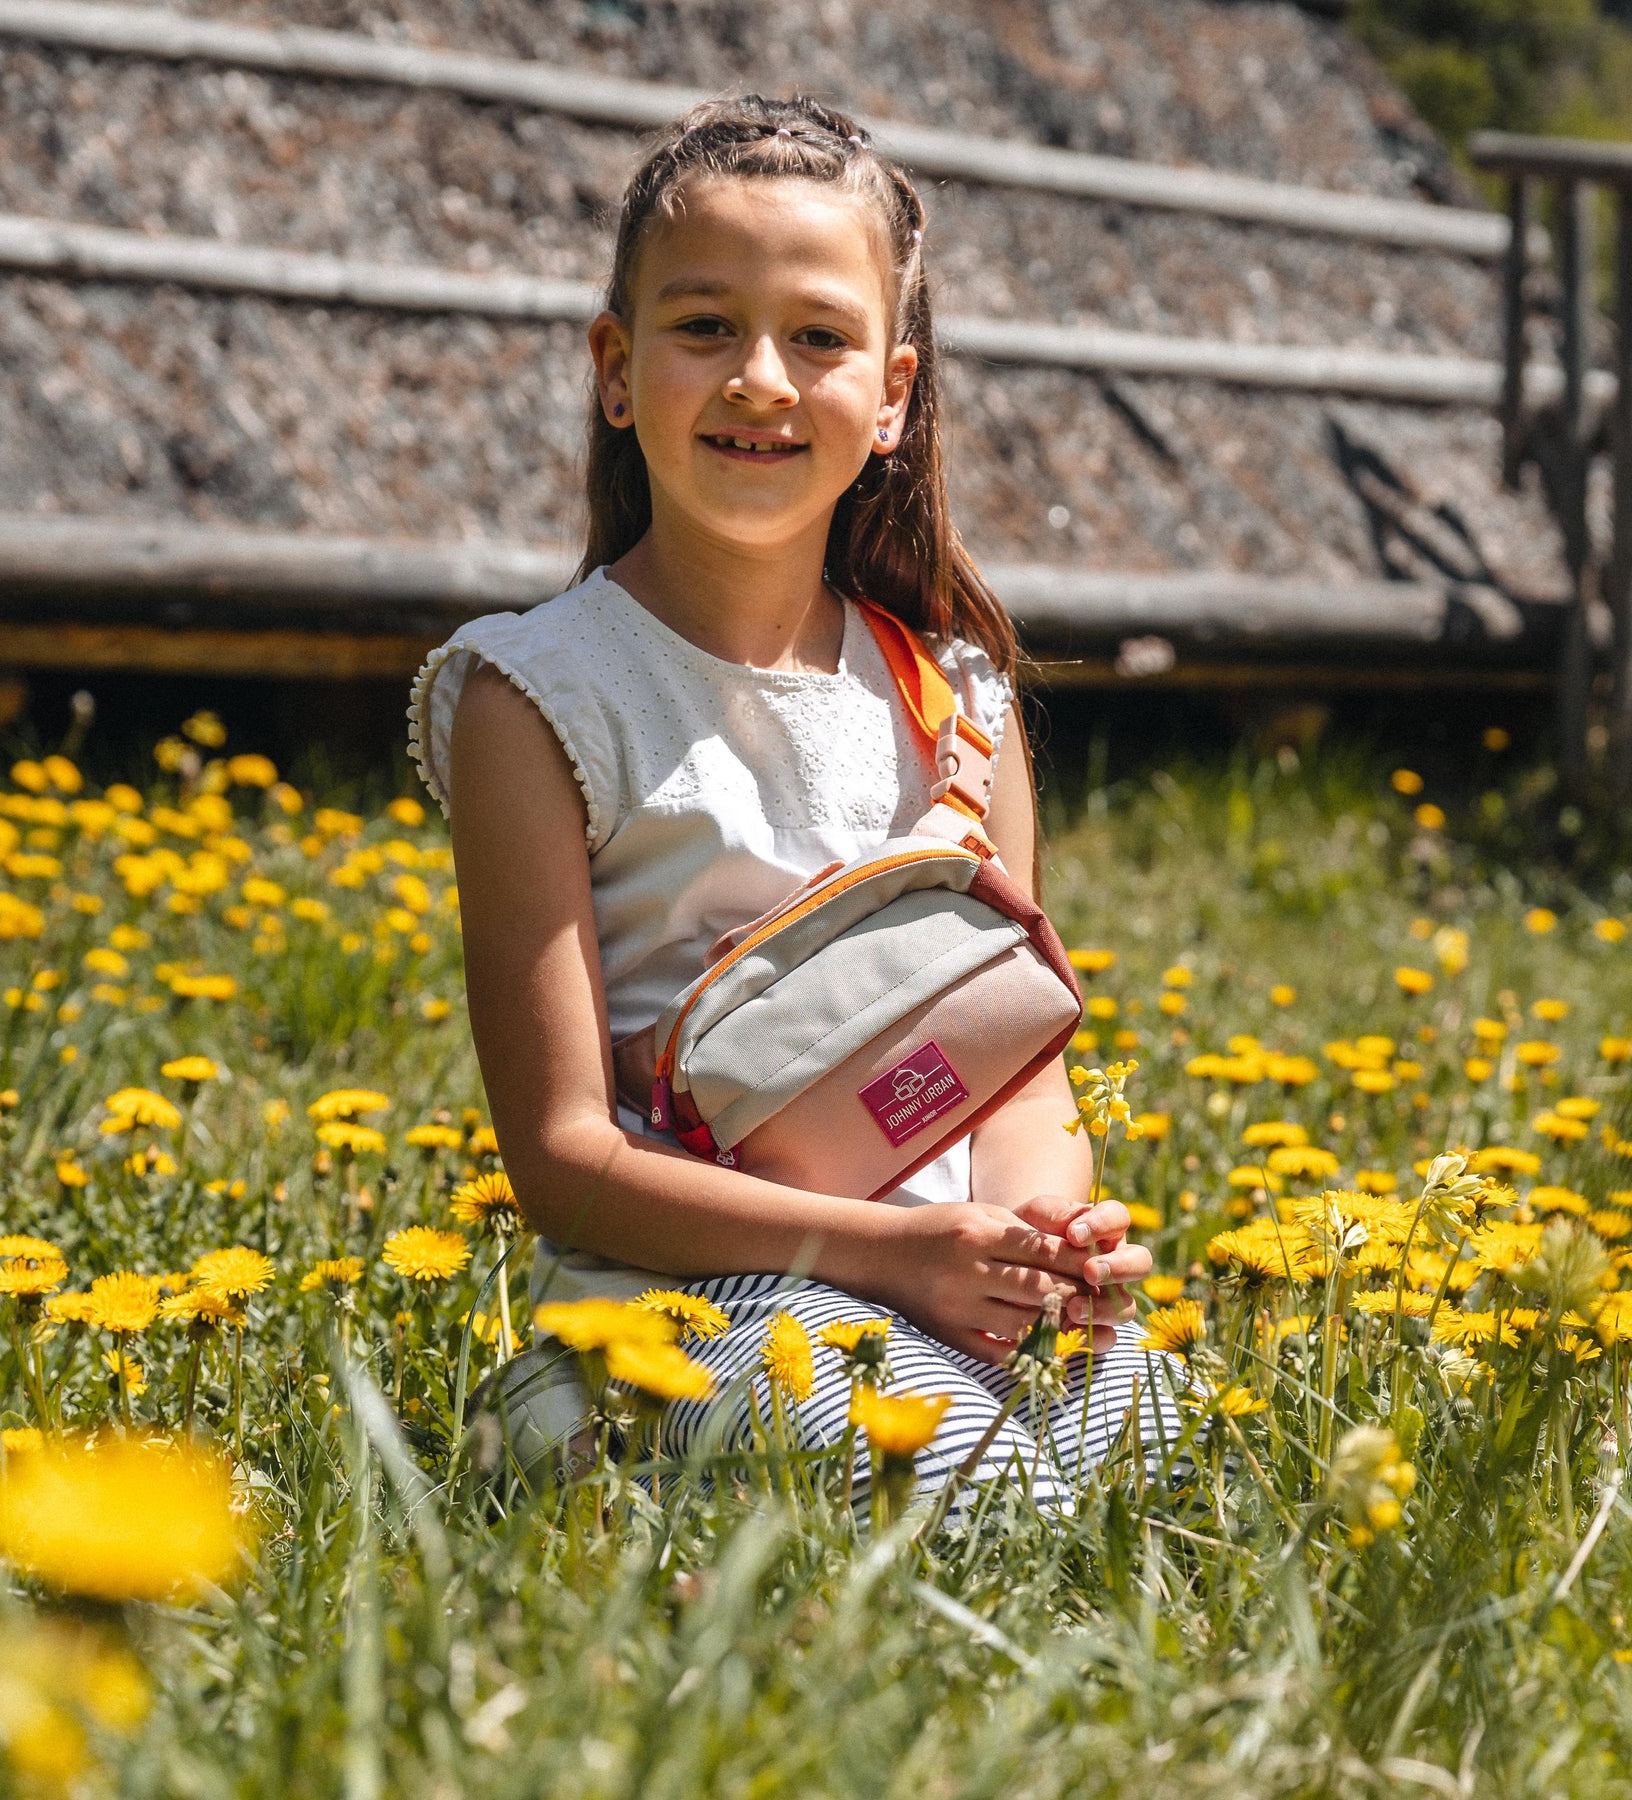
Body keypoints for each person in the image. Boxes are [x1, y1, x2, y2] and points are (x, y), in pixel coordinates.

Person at [410, 94, 1175, 1509]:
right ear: (617, 369)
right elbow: (565, 1159)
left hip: (953, 1288)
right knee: (984, 1497)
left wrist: (1044, 1231)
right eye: (706, 327)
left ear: (888, 396)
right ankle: (559, 1430)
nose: (761, 377)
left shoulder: (960, 701)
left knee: (1166, 1456)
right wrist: (892, 1259)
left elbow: (1025, 1081)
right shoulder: (537, 695)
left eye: (817, 337)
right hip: (681, 1308)